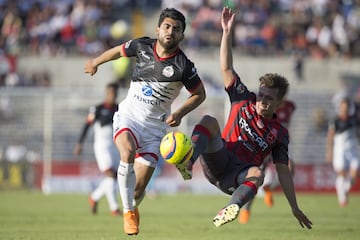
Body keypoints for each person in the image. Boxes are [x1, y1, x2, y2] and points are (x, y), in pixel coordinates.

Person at [176, 7, 312, 229]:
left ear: (279, 103)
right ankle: (188, 163)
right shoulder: (243, 99)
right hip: (219, 157)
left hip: (237, 177)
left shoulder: (279, 134)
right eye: (261, 95)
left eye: (269, 98)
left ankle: (231, 208)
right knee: (209, 120)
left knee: (257, 173)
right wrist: (227, 32)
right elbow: (226, 67)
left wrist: (294, 207)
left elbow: (284, 172)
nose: (262, 100)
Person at [84, 8, 206, 235]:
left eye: (177, 29)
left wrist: (179, 113)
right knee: (127, 153)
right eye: (167, 27)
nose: (171, 32)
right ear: (158, 28)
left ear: (182, 35)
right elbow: (118, 52)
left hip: (154, 131)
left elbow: (200, 94)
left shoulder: (184, 67)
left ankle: (132, 206)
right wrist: (96, 61)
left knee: (138, 191)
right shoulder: (142, 46)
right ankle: (128, 212)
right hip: (128, 117)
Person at [238, 98, 296, 224]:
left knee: (291, 169)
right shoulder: (270, 106)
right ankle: (246, 210)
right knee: (255, 178)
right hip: (266, 144)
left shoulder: (291, 106)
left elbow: (286, 126)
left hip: (280, 144)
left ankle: (269, 187)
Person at [73, 82, 121, 216]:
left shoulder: (119, 108)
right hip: (102, 145)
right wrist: (79, 143)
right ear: (106, 93)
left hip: (115, 145)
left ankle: (94, 197)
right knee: (110, 174)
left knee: (114, 177)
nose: (112, 95)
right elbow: (87, 125)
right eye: (110, 93)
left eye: (114, 93)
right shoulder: (97, 109)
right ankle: (114, 208)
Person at [326, 97, 360, 207]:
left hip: (353, 149)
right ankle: (342, 199)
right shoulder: (335, 120)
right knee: (341, 174)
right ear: (340, 107)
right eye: (343, 106)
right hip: (339, 150)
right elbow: (330, 137)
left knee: (354, 173)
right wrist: (329, 152)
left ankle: (345, 189)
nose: (344, 108)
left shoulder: (355, 120)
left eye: (347, 106)